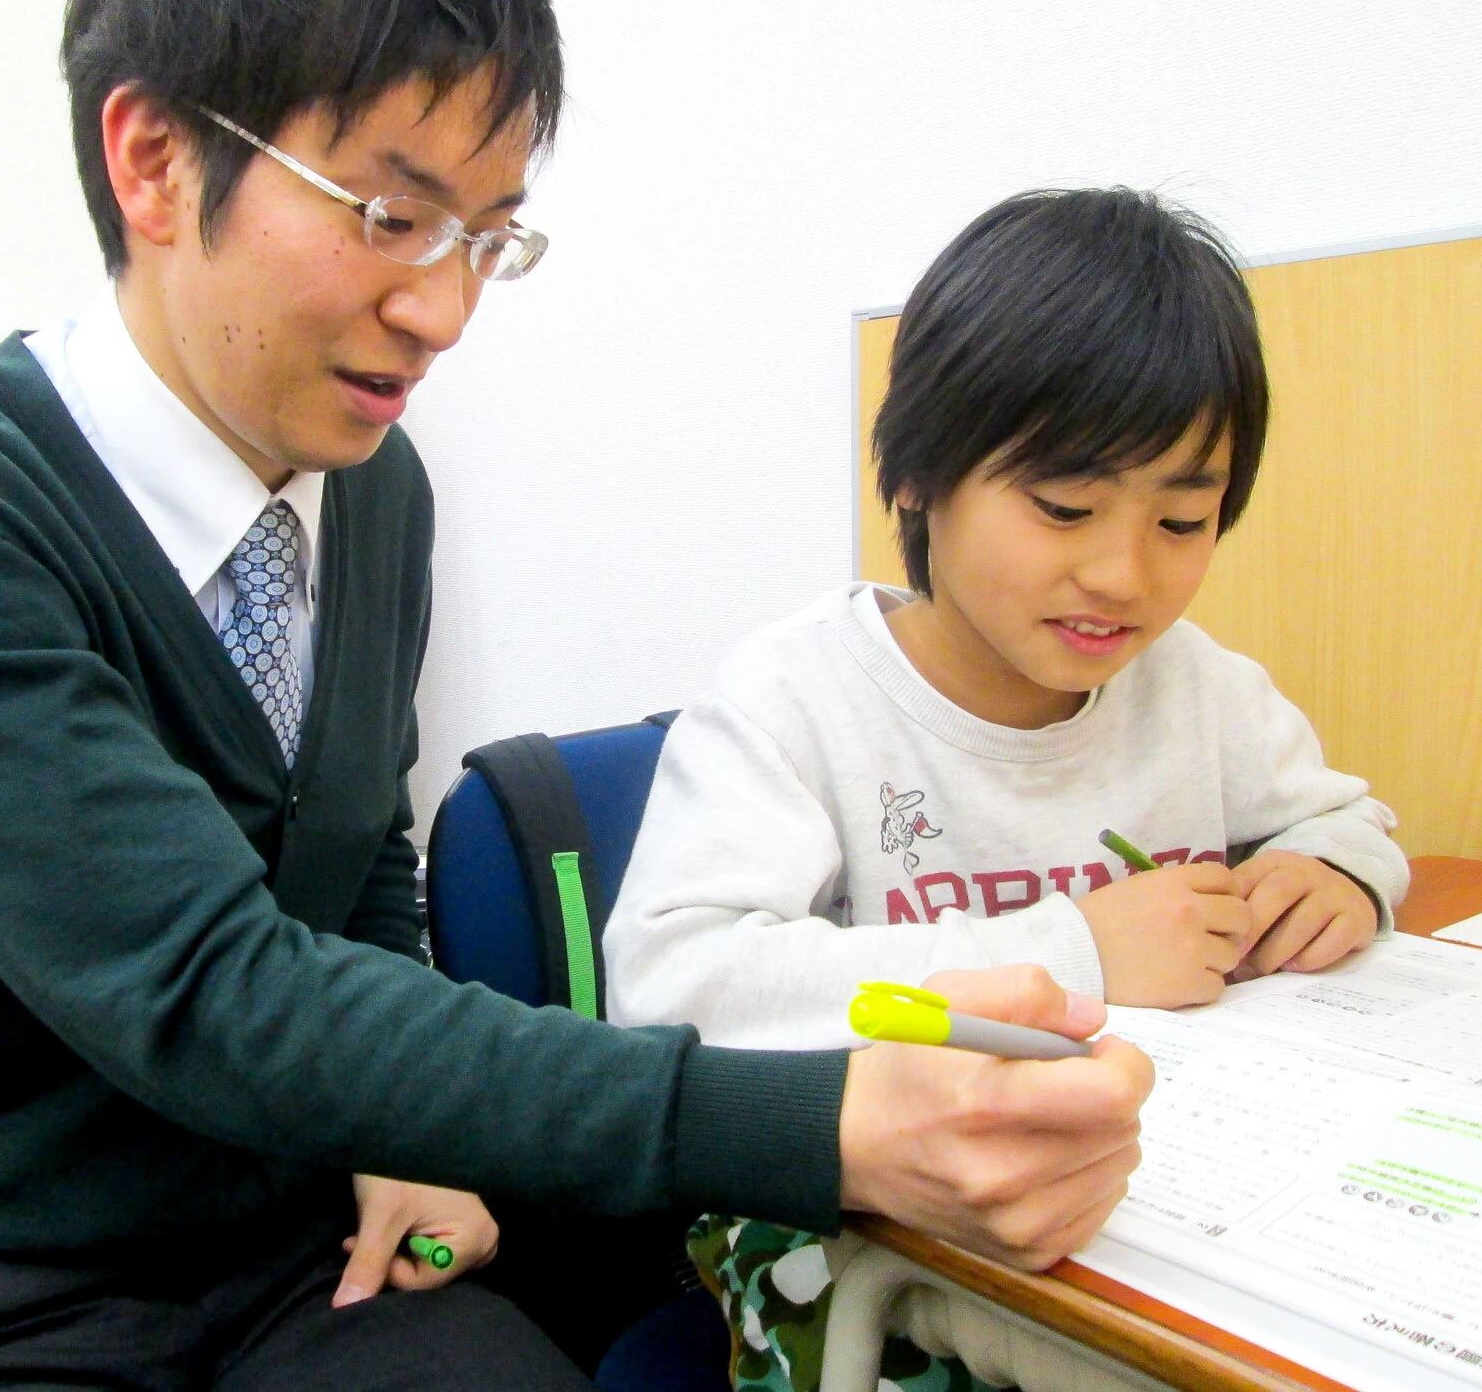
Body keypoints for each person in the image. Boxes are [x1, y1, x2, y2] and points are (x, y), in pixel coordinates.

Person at [0, 0, 1153, 1391]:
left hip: (294, 1254)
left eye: (487, 236)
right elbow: (210, 993)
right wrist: (823, 1124)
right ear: (154, 159)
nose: (447, 307)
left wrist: (404, 1142)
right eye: (390, 216)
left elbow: (357, 863)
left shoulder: (370, 488)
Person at [603, 187, 1410, 1392]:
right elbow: (672, 987)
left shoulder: (1195, 689)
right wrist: (1072, 950)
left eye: (1182, 519)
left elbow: (1343, 816)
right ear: (921, 478)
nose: (1121, 573)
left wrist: (1337, 870)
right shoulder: (797, 699)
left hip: (1133, 1206)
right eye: (1064, 507)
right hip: (850, 1229)